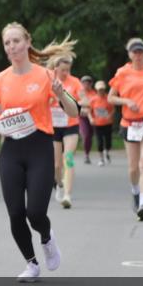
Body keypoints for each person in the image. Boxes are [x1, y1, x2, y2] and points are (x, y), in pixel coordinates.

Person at [0, 23, 78, 282]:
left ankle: (47, 239)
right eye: (7, 43)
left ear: (27, 42)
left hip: (39, 147)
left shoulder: (45, 76)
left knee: (35, 213)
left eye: (16, 41)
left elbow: (73, 112)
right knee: (15, 212)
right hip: (12, 150)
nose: (12, 46)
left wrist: (62, 96)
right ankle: (31, 263)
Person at [107, 37, 143, 221]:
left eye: (141, 51)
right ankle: (135, 191)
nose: (138, 55)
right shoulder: (122, 72)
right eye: (135, 52)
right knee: (133, 168)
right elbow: (111, 98)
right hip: (130, 123)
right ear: (129, 54)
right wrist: (126, 101)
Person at [48, 56, 83, 209]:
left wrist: (76, 103)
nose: (65, 73)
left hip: (70, 126)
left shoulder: (74, 82)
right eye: (62, 70)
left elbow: (84, 99)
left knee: (68, 158)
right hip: (54, 126)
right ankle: (59, 184)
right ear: (55, 69)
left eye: (68, 70)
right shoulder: (48, 81)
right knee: (56, 165)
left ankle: (68, 195)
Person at [90, 80, 114, 165]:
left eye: (102, 89)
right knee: (99, 141)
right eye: (99, 89)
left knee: (108, 141)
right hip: (97, 124)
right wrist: (91, 119)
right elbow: (89, 110)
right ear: (96, 90)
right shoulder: (93, 99)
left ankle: (106, 152)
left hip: (107, 123)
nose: (101, 91)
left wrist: (110, 116)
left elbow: (113, 110)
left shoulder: (108, 98)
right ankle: (101, 159)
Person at [78, 75, 97, 164]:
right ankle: (86, 155)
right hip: (82, 117)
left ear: (91, 84)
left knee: (89, 136)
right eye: (84, 83)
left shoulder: (94, 94)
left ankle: (87, 153)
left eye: (88, 83)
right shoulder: (79, 93)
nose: (86, 85)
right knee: (85, 135)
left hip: (92, 117)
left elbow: (97, 105)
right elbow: (74, 103)